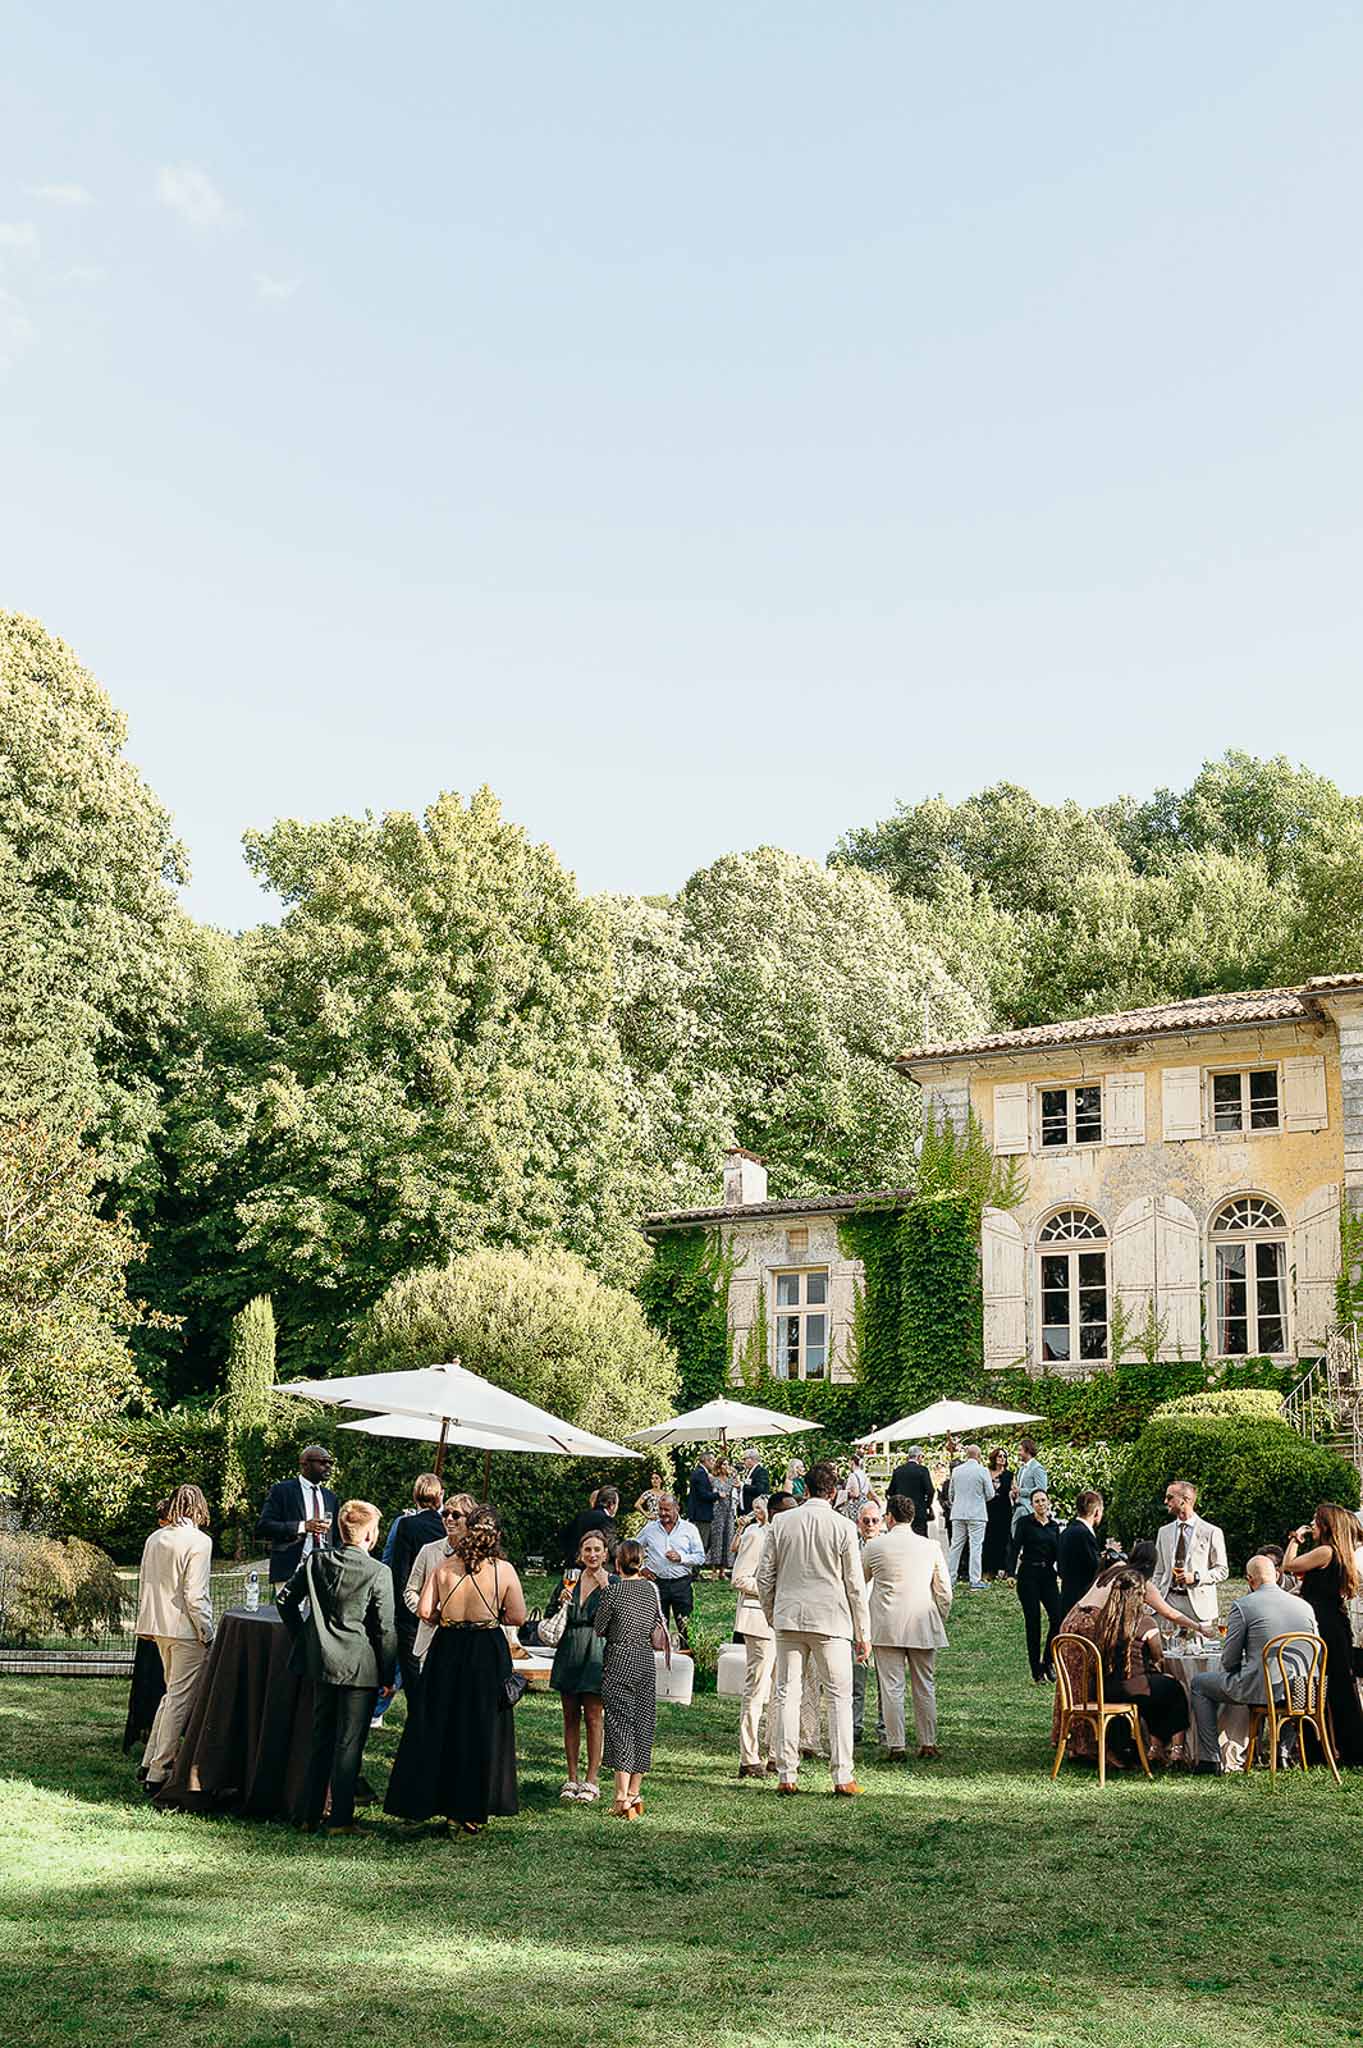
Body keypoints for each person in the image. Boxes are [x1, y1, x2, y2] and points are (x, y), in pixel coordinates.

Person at [385, 1506, 526, 1833]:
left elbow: (423, 1610)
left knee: (438, 1724)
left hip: (447, 1647)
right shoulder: (502, 1570)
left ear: (466, 1533)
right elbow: (518, 1616)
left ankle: (428, 1800)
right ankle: (470, 1809)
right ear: (498, 1536)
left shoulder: (444, 1566)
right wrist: (491, 1613)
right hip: (485, 1647)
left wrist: (445, 1617)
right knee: (479, 1726)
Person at [276, 1498, 397, 1835]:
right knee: (349, 1743)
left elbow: (284, 1599)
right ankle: (341, 1819)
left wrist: (304, 1637)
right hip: (360, 1666)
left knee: (320, 1737)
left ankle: (308, 1813)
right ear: (370, 1535)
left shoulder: (316, 1561)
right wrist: (388, 1675)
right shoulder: (378, 1572)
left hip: (321, 1662)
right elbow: (385, 1628)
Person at [757, 1458, 871, 1798]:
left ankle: (787, 1773)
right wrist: (863, 1633)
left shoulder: (782, 1523)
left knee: (786, 1695)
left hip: (789, 1617)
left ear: (805, 1489)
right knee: (838, 1697)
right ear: (834, 1491)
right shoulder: (843, 1526)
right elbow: (855, 1584)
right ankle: (842, 1776)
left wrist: (772, 1613)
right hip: (831, 1620)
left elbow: (765, 1577)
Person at [1051, 1542, 1189, 1763]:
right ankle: (1173, 1748)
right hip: (1128, 1686)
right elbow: (1159, 1648)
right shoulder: (1143, 1619)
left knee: (1083, 1684)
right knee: (1169, 1688)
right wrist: (1199, 1628)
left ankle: (1083, 1744)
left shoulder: (1105, 1619)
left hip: (1101, 1681)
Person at [1188, 1553, 1317, 1775]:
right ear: (1277, 1576)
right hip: (1302, 1690)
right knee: (1285, 1685)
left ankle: (1210, 1759)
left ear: (1249, 1580)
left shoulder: (1243, 1606)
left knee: (1199, 1684)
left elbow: (1229, 1660)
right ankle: (1283, 1754)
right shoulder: (1304, 1606)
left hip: (1260, 1688)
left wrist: (1242, 1669)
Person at [136, 1483, 214, 1795]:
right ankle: (160, 1769)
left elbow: (146, 1582)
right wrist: (208, 1632)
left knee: (171, 1696)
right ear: (199, 1508)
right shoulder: (199, 1541)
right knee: (180, 1699)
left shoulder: (156, 1537)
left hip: (158, 1627)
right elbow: (195, 1595)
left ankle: (149, 1760)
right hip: (185, 1629)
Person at [861, 1492, 952, 1760]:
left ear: (889, 1517)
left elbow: (859, 1583)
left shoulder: (875, 1547)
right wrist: (938, 1616)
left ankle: (897, 1745)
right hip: (923, 1621)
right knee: (925, 1684)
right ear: (912, 1518)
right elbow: (944, 1591)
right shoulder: (930, 1546)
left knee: (892, 1687)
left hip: (887, 1623)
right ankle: (928, 1742)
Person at [1283, 1503, 1363, 1767]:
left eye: (1316, 1522)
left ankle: (1322, 1751)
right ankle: (1348, 1749)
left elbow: (1288, 1566)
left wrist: (1296, 1538)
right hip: (1334, 1624)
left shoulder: (1325, 1551)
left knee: (1320, 1687)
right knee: (1340, 1689)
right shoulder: (1341, 1552)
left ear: (1327, 1526)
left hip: (1323, 1625)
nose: (1312, 1526)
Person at [1088, 1568, 1190, 1764]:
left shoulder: (1101, 1621)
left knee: (1156, 1688)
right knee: (1173, 1688)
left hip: (1102, 1689)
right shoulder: (1144, 1622)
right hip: (1132, 1688)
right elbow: (1158, 1655)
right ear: (1137, 1596)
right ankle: (1177, 1749)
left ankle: (1155, 1748)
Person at [594, 1537, 661, 1819]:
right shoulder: (651, 1590)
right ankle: (635, 1791)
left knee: (620, 1723)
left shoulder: (613, 1592)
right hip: (645, 1658)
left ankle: (621, 1797)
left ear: (617, 1563)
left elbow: (599, 1628)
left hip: (620, 1657)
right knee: (644, 1722)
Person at [551, 1529, 614, 1803]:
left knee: (594, 1716)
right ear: (580, 1553)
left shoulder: (611, 1582)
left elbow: (620, 1617)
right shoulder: (569, 1580)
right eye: (587, 1550)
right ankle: (572, 1776)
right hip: (569, 1648)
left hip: (597, 1650)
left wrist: (606, 1588)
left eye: (597, 1550)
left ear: (605, 1554)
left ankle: (592, 1778)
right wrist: (560, 1603)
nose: (592, 1555)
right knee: (570, 1715)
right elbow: (551, 1613)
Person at [731, 1495, 790, 1777]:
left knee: (783, 1689)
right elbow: (739, 1578)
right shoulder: (756, 1537)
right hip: (758, 1620)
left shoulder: (787, 1538)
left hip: (785, 1622)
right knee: (756, 1690)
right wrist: (772, 1587)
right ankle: (749, 1757)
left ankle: (776, 1754)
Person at [386, 1473, 446, 1700]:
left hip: (411, 1607)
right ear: (439, 1497)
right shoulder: (447, 1526)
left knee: (413, 1675)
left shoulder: (407, 1525)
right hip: (442, 1603)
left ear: (415, 1496)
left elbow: (399, 1570)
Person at [256, 1444, 340, 1584]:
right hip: (290, 1569)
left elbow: (337, 1535)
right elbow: (264, 1526)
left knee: (322, 1607)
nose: (328, 1466)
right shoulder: (282, 1491)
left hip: (324, 1570)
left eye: (330, 1462)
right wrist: (303, 1526)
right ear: (304, 1464)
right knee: (290, 1607)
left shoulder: (330, 1497)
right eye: (322, 1462)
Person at [1153, 1481, 1228, 1629]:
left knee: (1200, 1651)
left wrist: (1196, 1577)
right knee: (1166, 1650)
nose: (1165, 1501)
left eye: (1169, 1497)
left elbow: (1222, 1571)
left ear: (1185, 1500)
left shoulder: (1211, 1532)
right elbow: (1159, 1571)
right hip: (1167, 1602)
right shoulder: (1163, 1532)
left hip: (1199, 1606)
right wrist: (1156, 1601)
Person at [637, 1494, 706, 1647]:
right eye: (660, 1509)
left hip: (681, 1584)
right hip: (657, 1584)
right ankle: (658, 1664)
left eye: (667, 1510)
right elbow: (633, 1548)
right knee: (657, 1628)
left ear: (677, 1508)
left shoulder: (690, 1529)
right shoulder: (650, 1529)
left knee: (686, 1628)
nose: (662, 1513)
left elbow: (701, 1557)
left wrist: (681, 1557)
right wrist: (642, 1568)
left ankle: (688, 1663)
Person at [1010, 1489, 1063, 1682]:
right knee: (1033, 1623)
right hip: (1028, 1575)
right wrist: (1010, 1572)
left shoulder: (1054, 1527)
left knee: (1058, 1618)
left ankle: (1048, 1661)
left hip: (1048, 1575)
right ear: (1032, 1505)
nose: (1041, 1504)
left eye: (1043, 1500)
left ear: (1048, 1503)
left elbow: (1058, 1554)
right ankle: (1036, 1670)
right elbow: (1015, 1547)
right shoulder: (1025, 1523)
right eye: (1037, 1501)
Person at [851, 1498, 887, 1748]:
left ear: (882, 1522)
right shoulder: (851, 1547)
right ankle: (855, 1727)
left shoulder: (887, 1548)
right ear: (858, 1523)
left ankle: (885, 1728)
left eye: (875, 1521)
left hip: (883, 1620)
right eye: (866, 1521)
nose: (870, 1525)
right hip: (857, 1620)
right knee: (856, 1681)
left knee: (886, 1682)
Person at [948, 1445, 994, 1591]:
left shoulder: (956, 1471)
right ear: (979, 1455)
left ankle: (950, 1578)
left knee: (955, 1546)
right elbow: (990, 1493)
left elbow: (951, 1494)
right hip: (977, 1513)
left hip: (958, 1512)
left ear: (967, 1455)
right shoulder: (983, 1471)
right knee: (976, 1546)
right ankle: (974, 1580)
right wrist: (980, 1499)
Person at [1058, 1491, 1104, 1613]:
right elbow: (1094, 1567)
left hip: (1066, 1595)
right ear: (1097, 1511)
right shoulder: (1084, 1534)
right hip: (1082, 1599)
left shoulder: (1066, 1532)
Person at [560, 1486, 619, 1569]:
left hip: (574, 1566)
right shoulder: (607, 1520)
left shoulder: (580, 1516)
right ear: (611, 1505)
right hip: (596, 1567)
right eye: (617, 1504)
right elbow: (611, 1546)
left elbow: (564, 1536)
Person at [981, 1448, 1015, 1579]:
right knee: (989, 1539)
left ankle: (1003, 1569)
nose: (1002, 1458)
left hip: (1004, 1509)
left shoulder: (1009, 1475)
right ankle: (988, 1569)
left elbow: (1013, 1489)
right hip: (989, 1508)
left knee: (1003, 1539)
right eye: (999, 1456)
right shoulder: (986, 1473)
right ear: (994, 1458)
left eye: (1004, 1456)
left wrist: (1014, 1494)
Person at [887, 1446, 935, 1537]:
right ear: (919, 1457)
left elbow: (891, 1491)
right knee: (920, 1536)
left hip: (901, 1510)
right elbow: (930, 1491)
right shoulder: (923, 1470)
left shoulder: (898, 1470)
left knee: (902, 1536)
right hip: (919, 1509)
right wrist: (927, 1504)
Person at [1011, 1439, 1048, 1533]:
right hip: (1018, 1506)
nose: (1018, 1453)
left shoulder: (1037, 1468)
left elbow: (1041, 1489)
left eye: (1020, 1450)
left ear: (1027, 1451)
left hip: (1028, 1508)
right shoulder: (1021, 1469)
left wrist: (1020, 1491)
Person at [708, 1459, 739, 1570]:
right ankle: (714, 1569)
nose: (726, 1466)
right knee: (717, 1539)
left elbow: (737, 1492)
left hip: (729, 1511)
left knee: (728, 1537)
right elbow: (710, 1493)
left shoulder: (731, 1480)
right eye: (724, 1464)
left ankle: (723, 1569)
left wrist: (734, 1473)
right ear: (719, 1466)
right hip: (717, 1511)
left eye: (728, 1464)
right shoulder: (713, 1479)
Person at [686, 1455, 717, 1560]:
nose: (714, 1463)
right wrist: (717, 1495)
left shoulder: (700, 1473)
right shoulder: (700, 1474)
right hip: (701, 1514)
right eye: (712, 1460)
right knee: (701, 1543)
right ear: (706, 1461)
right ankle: (695, 1570)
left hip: (699, 1513)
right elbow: (703, 1494)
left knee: (703, 1542)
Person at [739, 1450, 771, 1515]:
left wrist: (742, 1486)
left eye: (745, 1459)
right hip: (747, 1509)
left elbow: (759, 1489)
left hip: (755, 1509)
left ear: (751, 1459)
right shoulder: (749, 1472)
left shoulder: (761, 1471)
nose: (743, 1462)